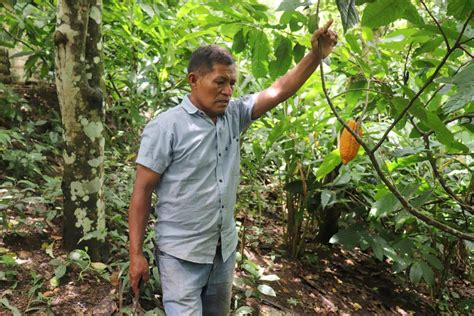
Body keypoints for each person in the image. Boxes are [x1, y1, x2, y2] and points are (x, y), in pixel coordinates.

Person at [128, 20, 338, 315]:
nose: (228, 91)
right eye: (219, 82)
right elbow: (142, 190)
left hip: (222, 252)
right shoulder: (166, 127)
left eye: (232, 83)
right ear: (193, 80)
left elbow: (279, 90)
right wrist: (135, 254)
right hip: (180, 256)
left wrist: (315, 55)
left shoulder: (234, 116)